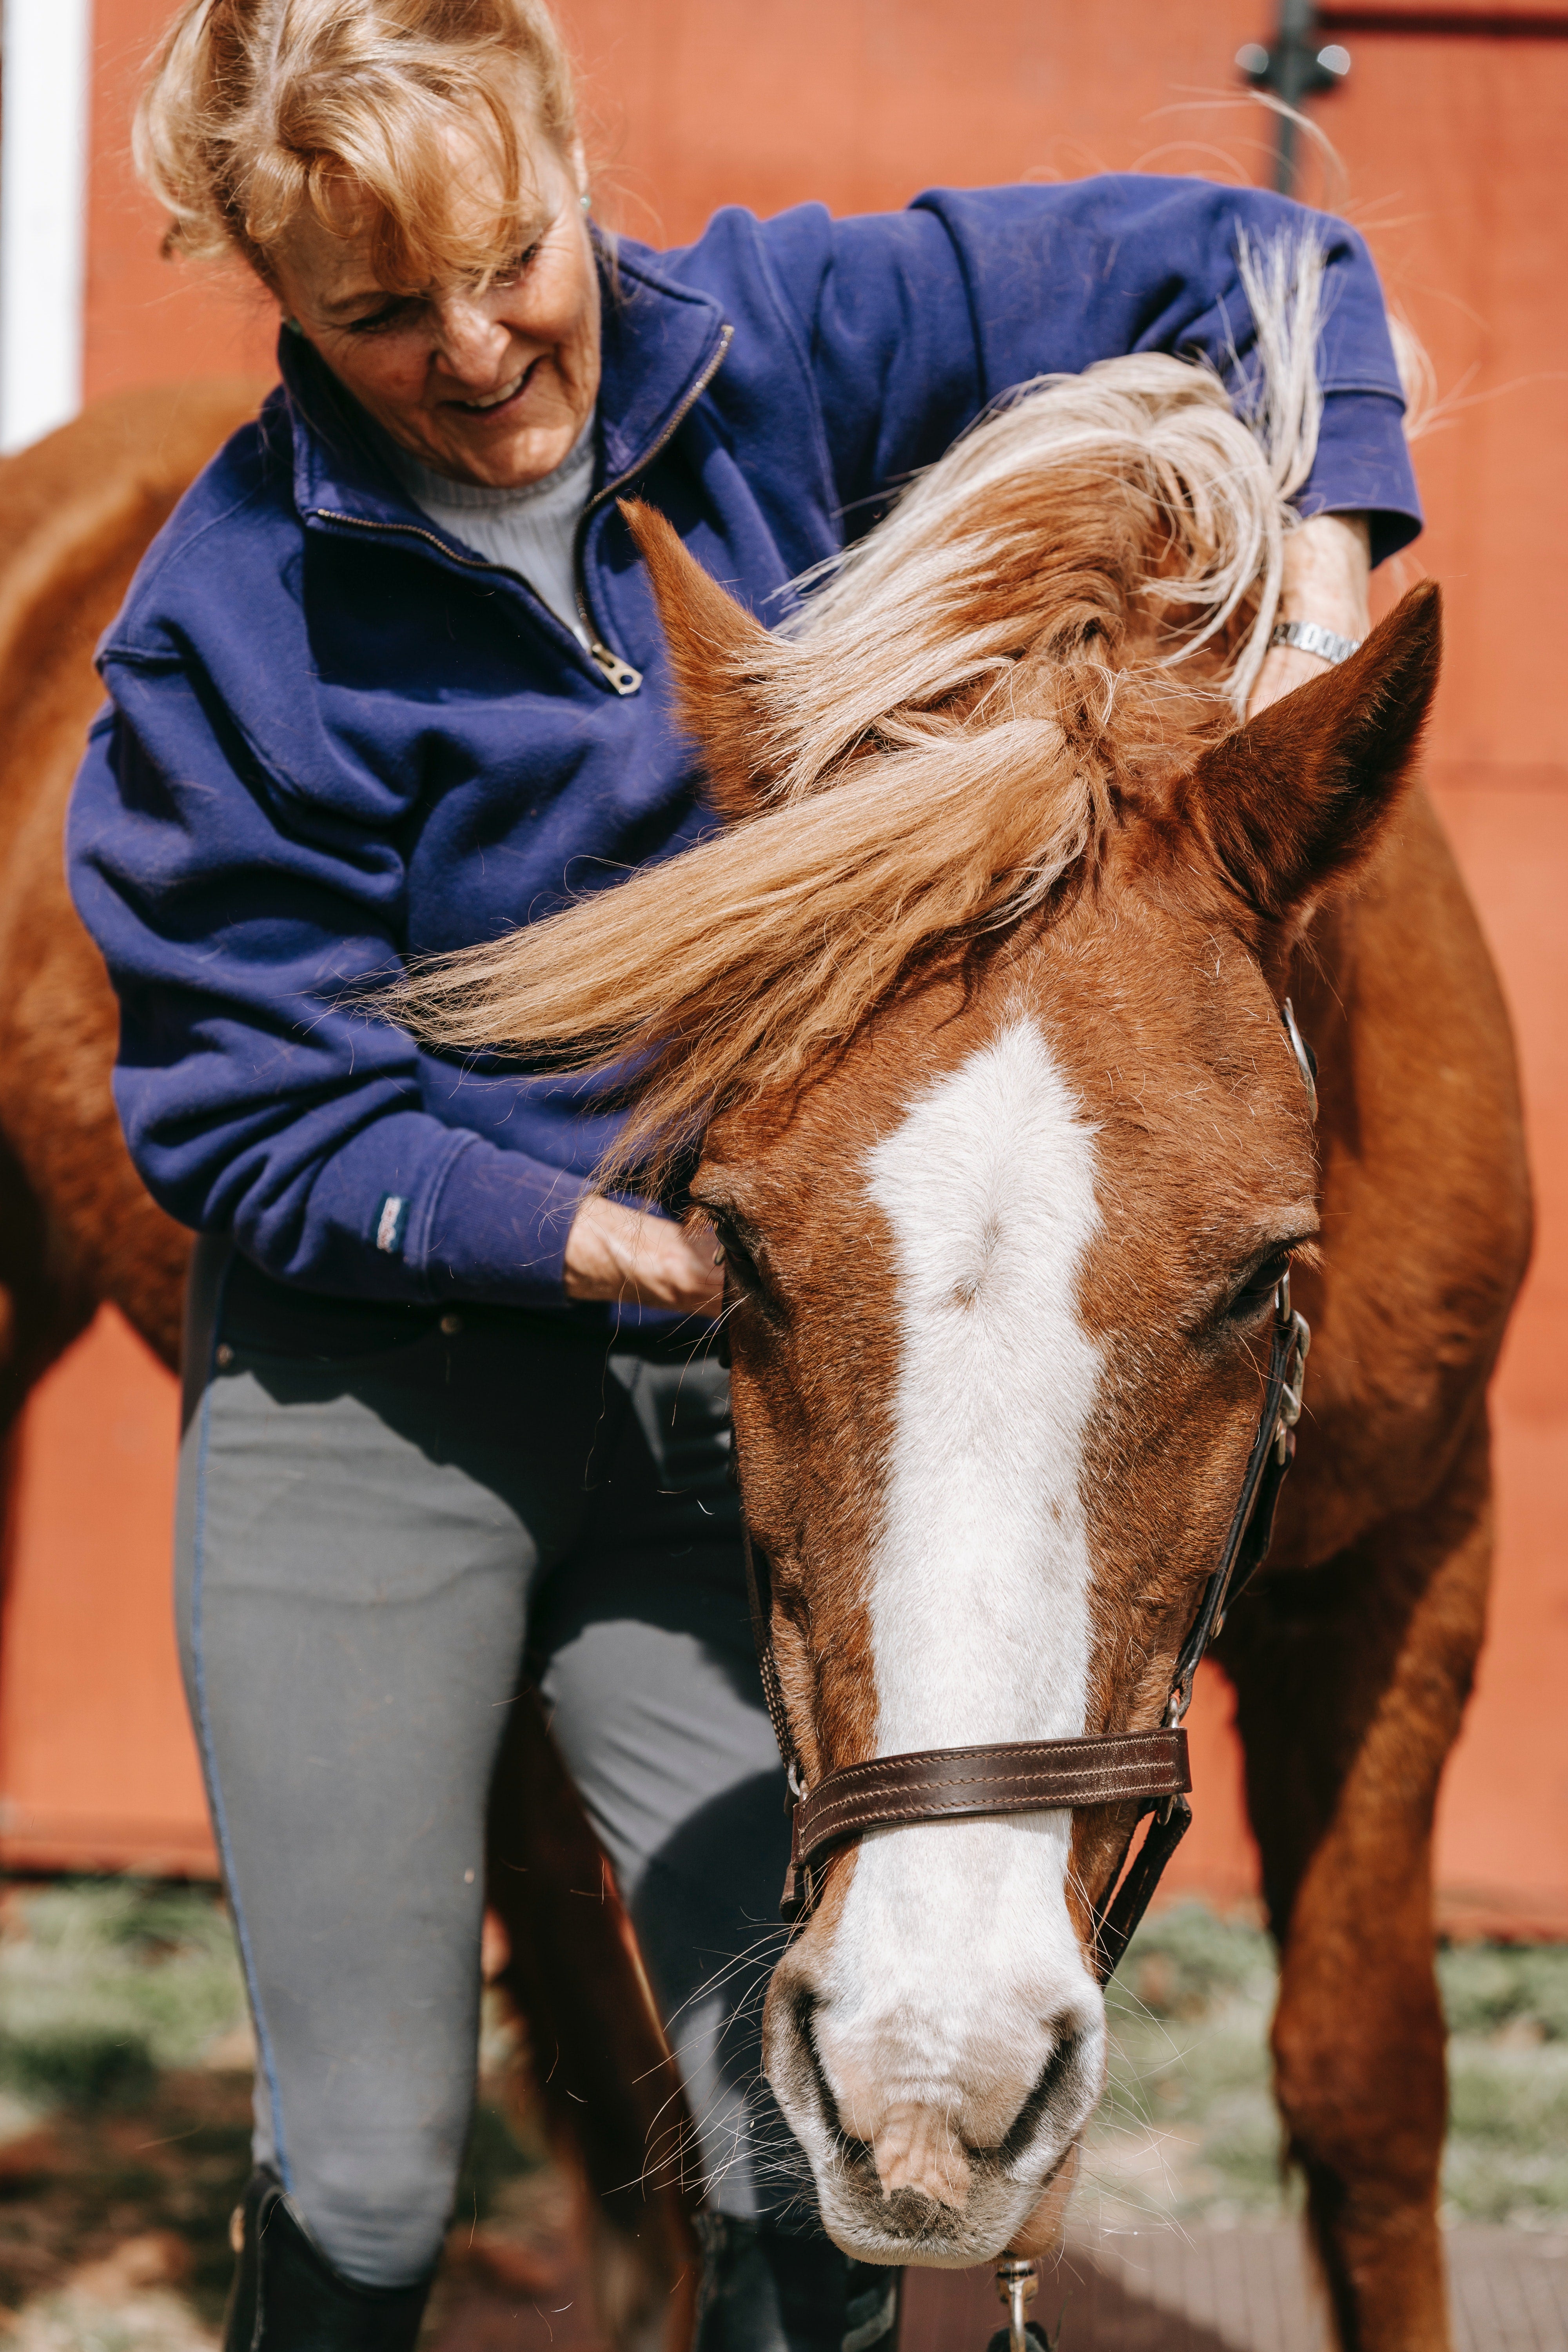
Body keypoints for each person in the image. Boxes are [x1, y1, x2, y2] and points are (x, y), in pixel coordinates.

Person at [67, 3, 1421, 2346]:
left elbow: (1270, 262)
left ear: (574, 162)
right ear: (274, 302)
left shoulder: (794, 331)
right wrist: (572, 1226)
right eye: (381, 315)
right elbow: (229, 1107)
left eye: (513, 262)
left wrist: (1311, 606)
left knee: (811, 2160)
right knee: (377, 2187)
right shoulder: (226, 627)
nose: (483, 354)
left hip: (719, 1383)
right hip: (386, 1399)